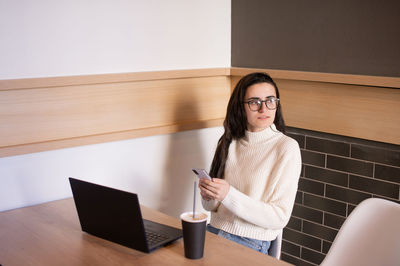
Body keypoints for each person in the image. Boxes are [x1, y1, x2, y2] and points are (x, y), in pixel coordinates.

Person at [199, 72, 301, 255]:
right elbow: (211, 208)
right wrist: (209, 195)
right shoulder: (229, 142)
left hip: (251, 241)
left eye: (270, 100)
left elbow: (280, 217)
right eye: (254, 102)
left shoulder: (286, 148)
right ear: (241, 107)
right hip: (214, 230)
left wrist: (228, 194)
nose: (264, 109)